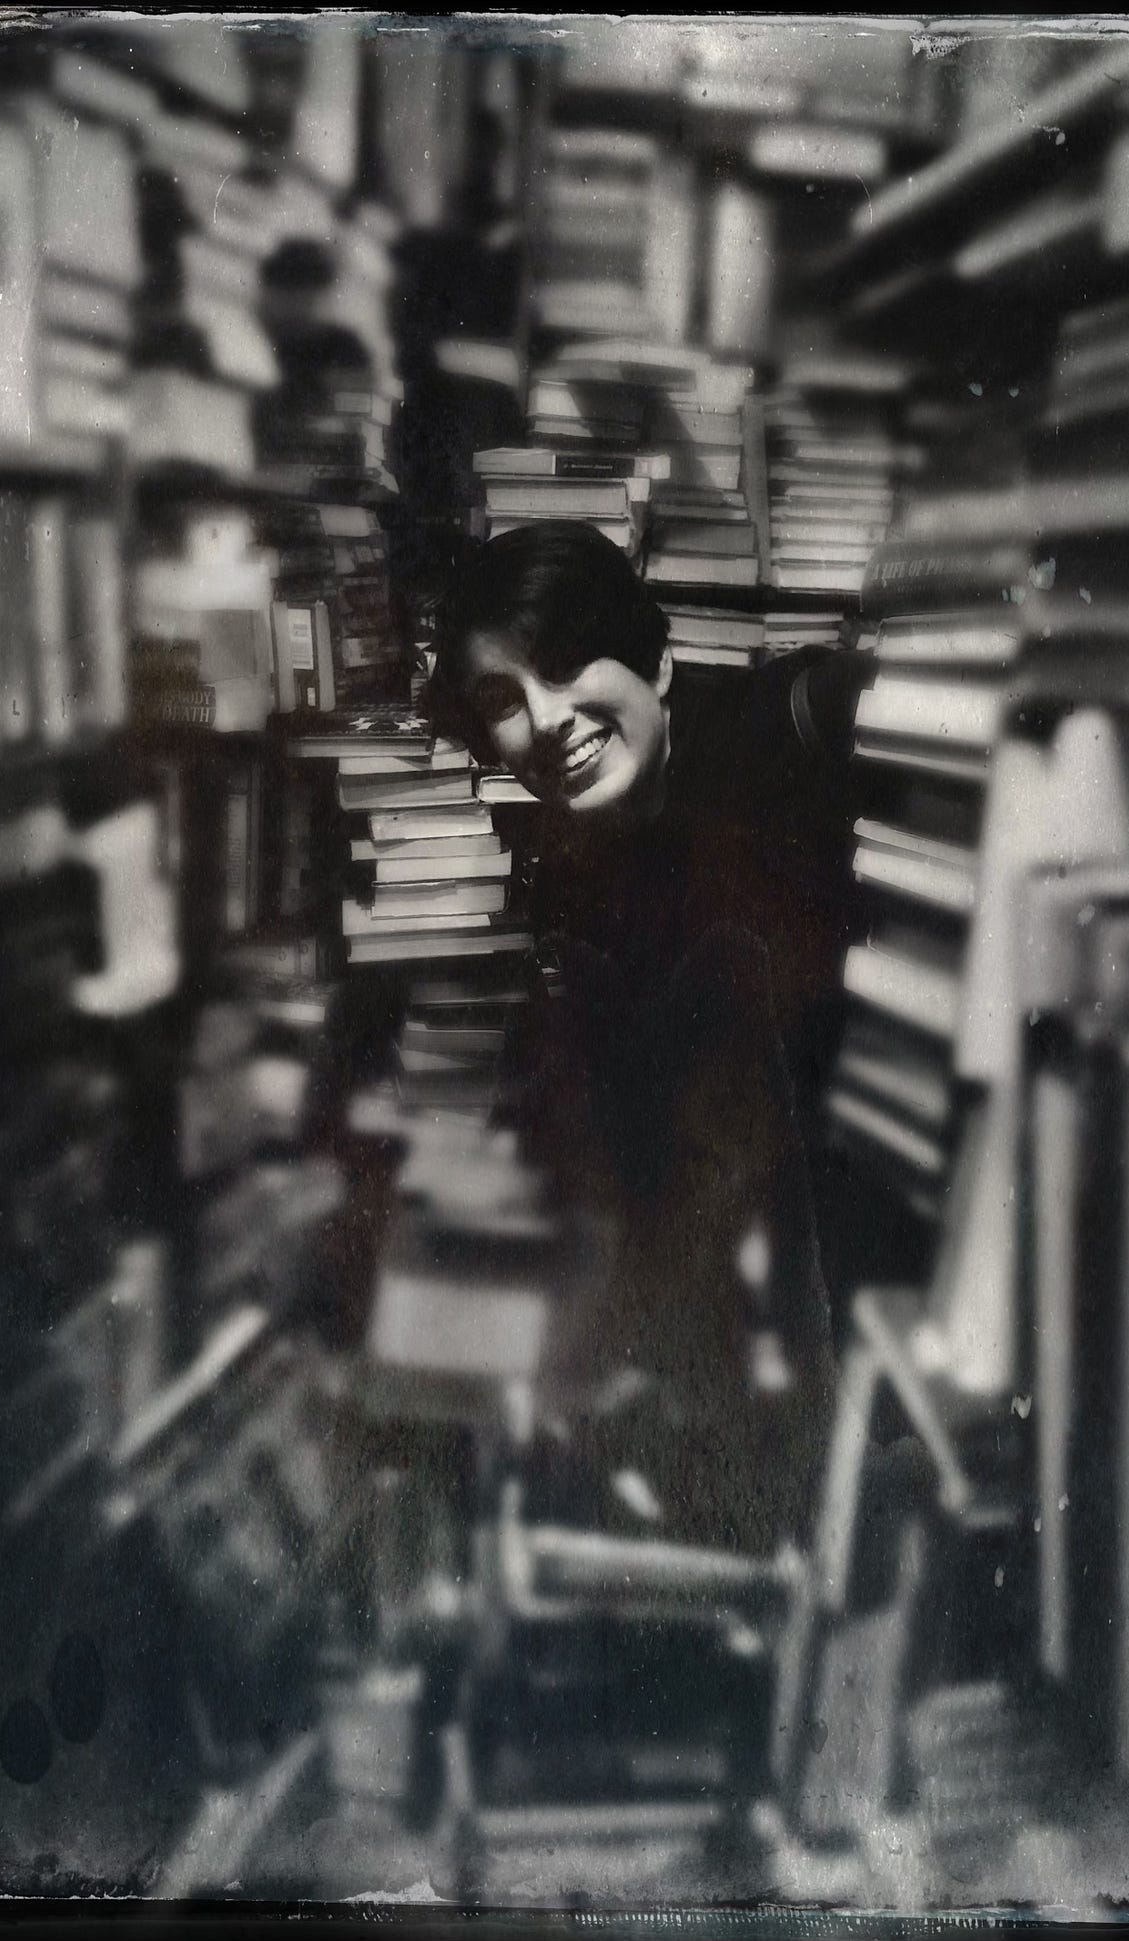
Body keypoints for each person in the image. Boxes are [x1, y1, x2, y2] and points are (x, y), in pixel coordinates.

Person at [427, 521, 871, 1551]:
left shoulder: (781, 721)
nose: (543, 722)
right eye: (504, 700)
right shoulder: (584, 861)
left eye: (564, 666)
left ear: (661, 660)